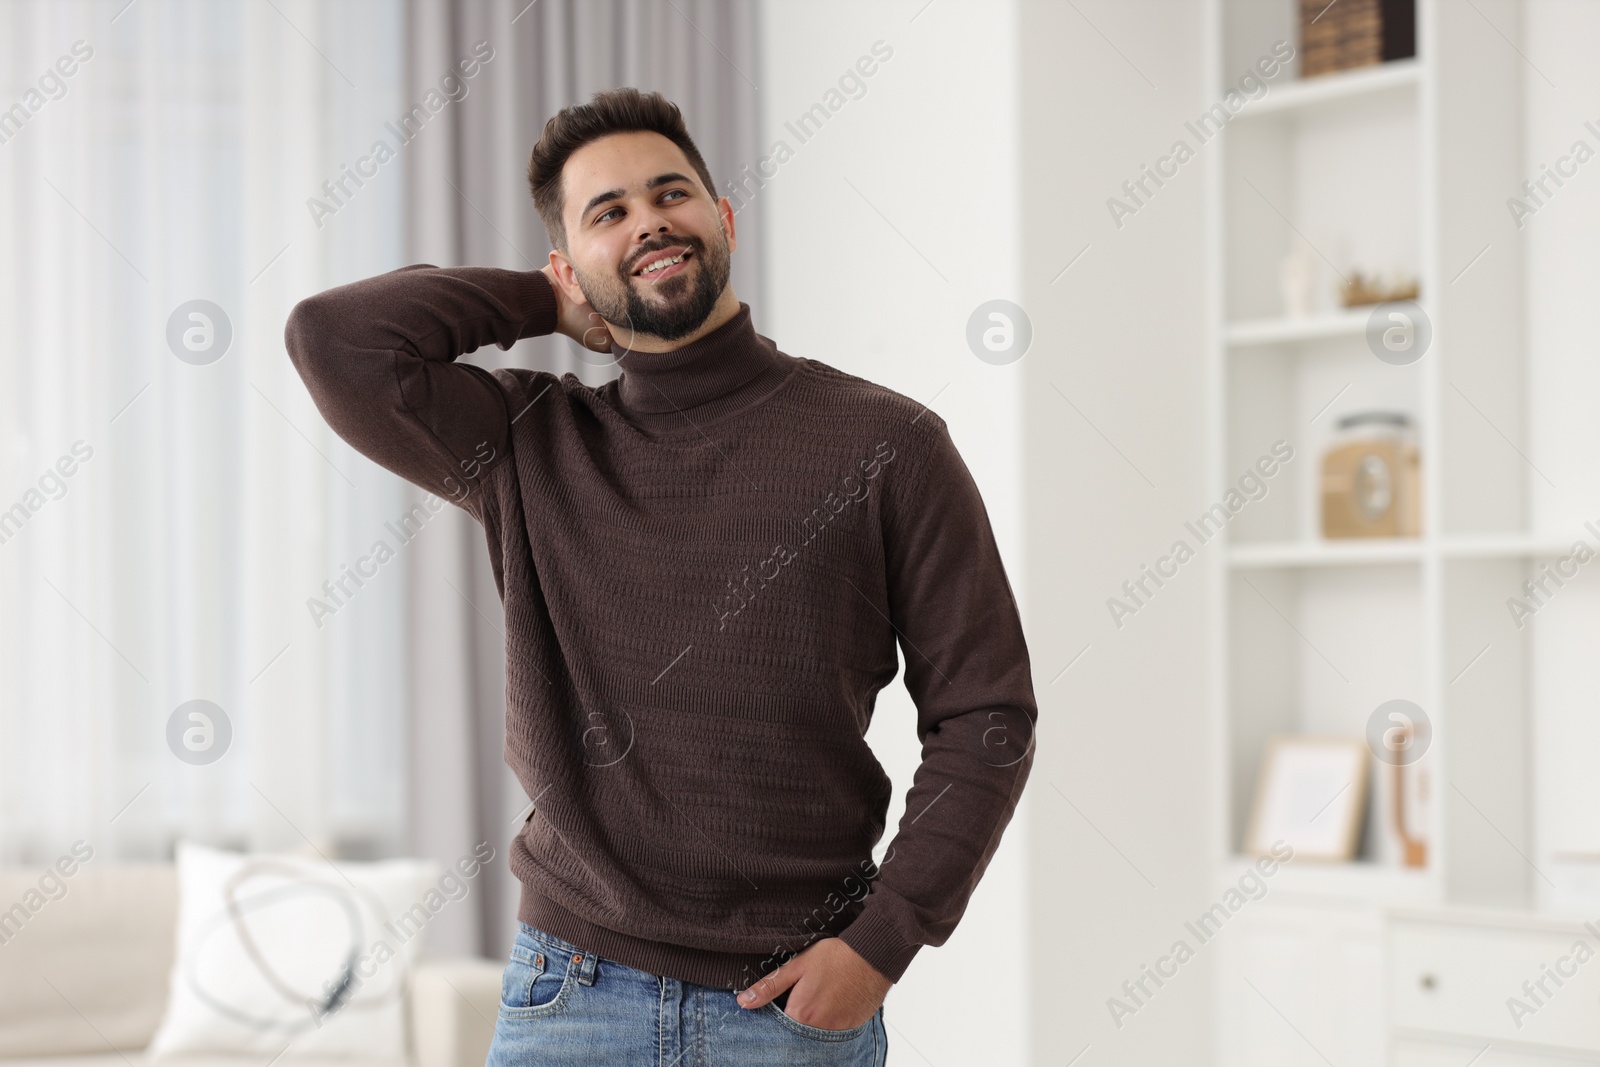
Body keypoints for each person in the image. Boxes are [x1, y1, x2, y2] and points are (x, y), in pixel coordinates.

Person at [284, 87, 1037, 1066]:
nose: (649, 220)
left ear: (721, 219)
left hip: (792, 1005)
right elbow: (334, 340)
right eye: (609, 213)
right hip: (572, 992)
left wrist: (880, 944)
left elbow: (985, 717)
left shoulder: (889, 444)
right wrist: (543, 302)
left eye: (670, 193)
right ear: (567, 265)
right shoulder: (527, 443)